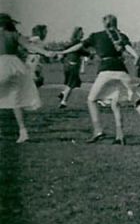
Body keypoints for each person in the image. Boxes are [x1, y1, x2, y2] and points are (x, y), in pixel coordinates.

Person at [61, 14, 140, 145]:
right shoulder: (121, 36)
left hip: (106, 70)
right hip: (122, 71)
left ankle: (98, 130)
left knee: (91, 100)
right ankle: (120, 135)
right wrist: (136, 56)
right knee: (116, 104)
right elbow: (129, 49)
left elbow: (79, 46)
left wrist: (63, 52)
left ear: (104, 24)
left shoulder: (96, 36)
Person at [0, 14, 48, 143]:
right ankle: (23, 131)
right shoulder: (14, 34)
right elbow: (29, 46)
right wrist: (46, 52)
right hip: (15, 67)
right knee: (15, 100)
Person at [58, 27, 90, 108]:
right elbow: (83, 52)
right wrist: (90, 54)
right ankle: (63, 102)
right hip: (73, 65)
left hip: (67, 65)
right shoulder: (77, 43)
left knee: (75, 82)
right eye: (81, 33)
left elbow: (63, 53)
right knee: (72, 83)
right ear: (77, 34)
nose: (83, 34)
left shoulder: (70, 43)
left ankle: (63, 93)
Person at [25, 24, 49, 88]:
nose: (46, 33)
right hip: (34, 58)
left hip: (36, 58)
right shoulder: (36, 39)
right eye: (45, 31)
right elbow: (28, 42)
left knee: (36, 72)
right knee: (34, 73)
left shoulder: (40, 41)